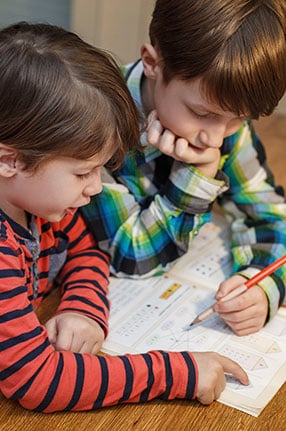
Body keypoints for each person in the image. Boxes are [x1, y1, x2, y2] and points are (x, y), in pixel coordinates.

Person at [0, 21, 249, 413]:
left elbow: (86, 250)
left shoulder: (43, 209)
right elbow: (38, 381)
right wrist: (174, 372)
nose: (96, 187)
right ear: (9, 160)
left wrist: (82, 307)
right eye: (82, 173)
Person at [81, 0, 286, 336]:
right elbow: (129, 256)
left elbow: (269, 213)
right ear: (152, 63)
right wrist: (198, 176)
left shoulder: (221, 113)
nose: (215, 138)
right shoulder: (95, 122)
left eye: (239, 119)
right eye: (201, 114)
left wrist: (262, 285)